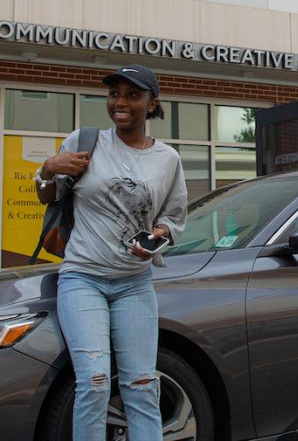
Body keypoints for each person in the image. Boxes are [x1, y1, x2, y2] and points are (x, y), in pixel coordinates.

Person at [34, 64, 187, 440]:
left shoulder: (167, 159)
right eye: (114, 94)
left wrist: (158, 237)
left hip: (135, 284)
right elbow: (46, 197)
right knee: (96, 382)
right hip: (83, 278)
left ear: (152, 104)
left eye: (132, 95)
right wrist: (48, 168)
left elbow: (173, 217)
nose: (120, 103)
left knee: (141, 384)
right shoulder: (85, 142)